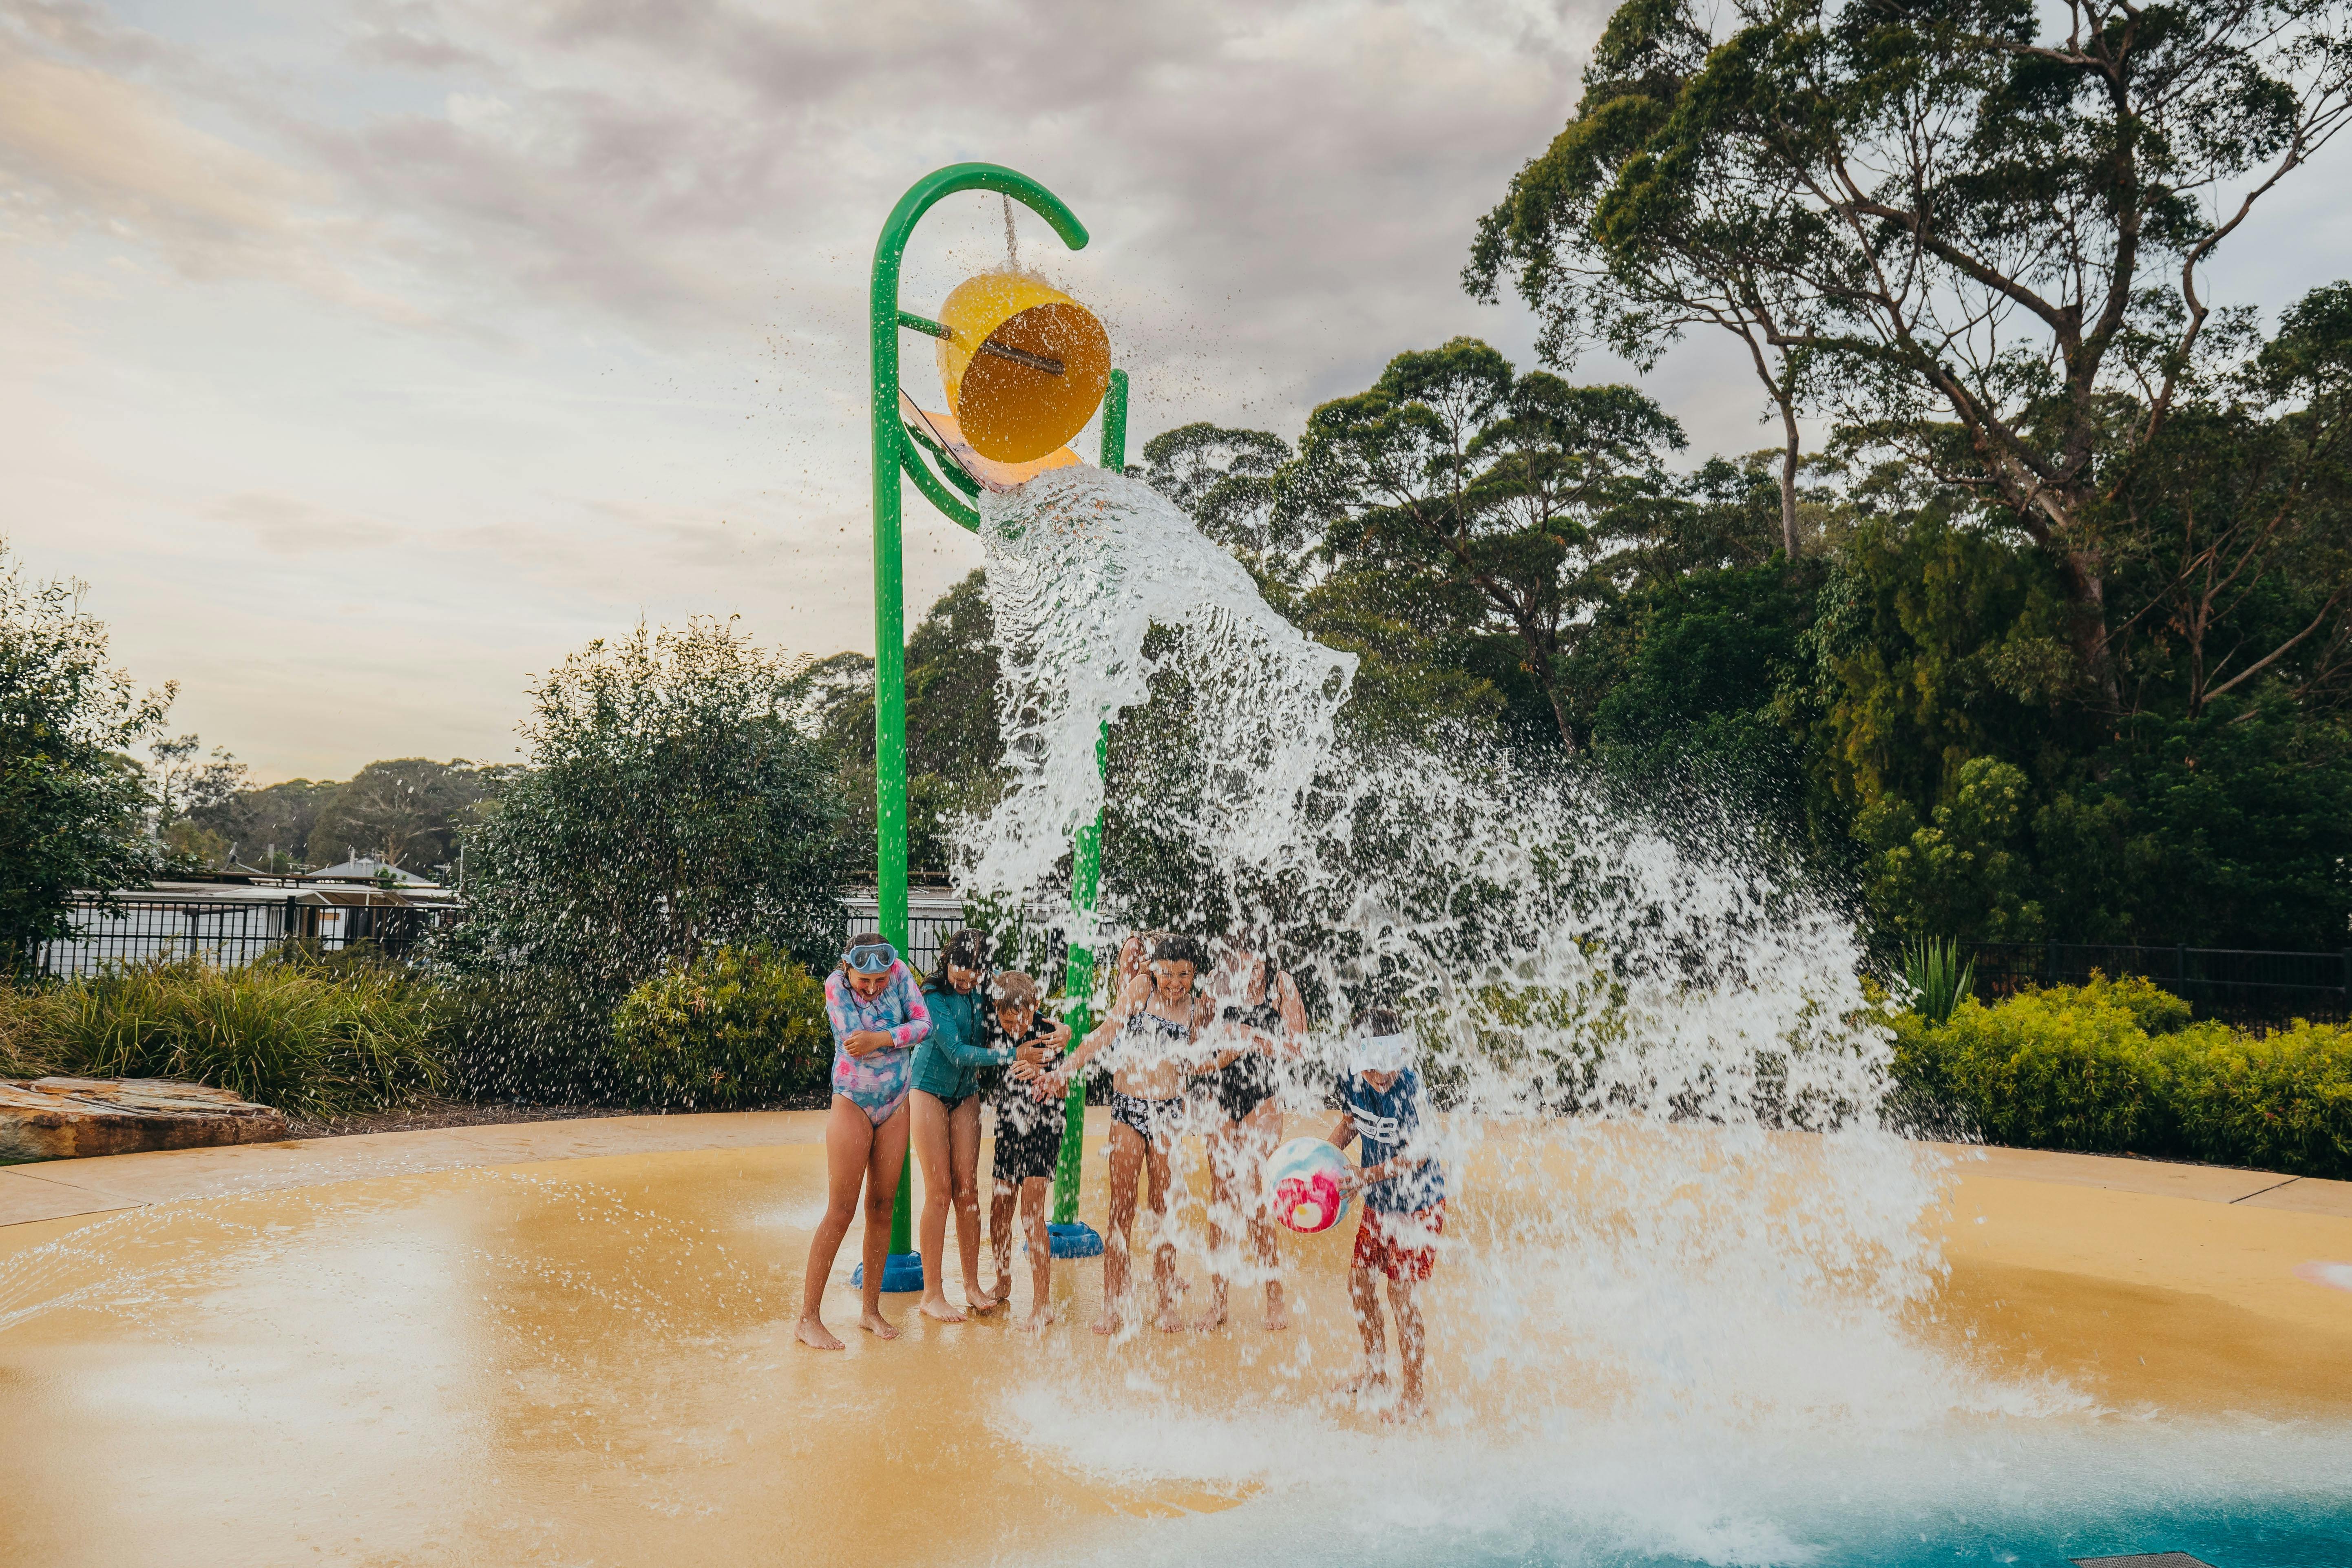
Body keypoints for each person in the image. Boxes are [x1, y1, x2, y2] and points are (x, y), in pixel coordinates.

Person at [1054, 931, 1211, 1335]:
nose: (1174, 981)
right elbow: (1106, 1032)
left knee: (1163, 1210)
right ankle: (1113, 1305)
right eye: (1167, 972)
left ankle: (1165, 1303)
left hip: (1168, 1113)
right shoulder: (1141, 989)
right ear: (1153, 969)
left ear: (1194, 973)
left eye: (1184, 974)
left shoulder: (1199, 1007)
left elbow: (1203, 1062)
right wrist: (1066, 1069)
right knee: (1120, 1208)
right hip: (1128, 1108)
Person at [797, 932, 930, 1351]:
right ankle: (808, 1318)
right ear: (847, 968)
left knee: (882, 1205)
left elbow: (925, 1024)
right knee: (840, 1209)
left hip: (895, 1101)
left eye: (879, 979)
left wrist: (881, 1039)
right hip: (853, 1100)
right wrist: (890, 1036)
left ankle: (870, 1310)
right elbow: (853, 1041)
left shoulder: (900, 973)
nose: (872, 987)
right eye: (864, 980)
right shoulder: (835, 985)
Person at [1326, 1008, 1447, 1419]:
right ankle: (1376, 1373)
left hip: (1418, 1204)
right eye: (1373, 1068)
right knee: (1359, 1283)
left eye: (1388, 1065)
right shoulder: (1352, 1076)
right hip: (1379, 1202)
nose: (1381, 1076)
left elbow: (1418, 1154)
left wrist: (1364, 1176)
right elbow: (1351, 1122)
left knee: (1400, 1294)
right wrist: (1322, 1158)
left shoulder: (1409, 1087)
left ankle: (1414, 1396)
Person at [909, 928, 1025, 1323]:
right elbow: (957, 1052)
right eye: (960, 967)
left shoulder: (982, 993)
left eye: (975, 970)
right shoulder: (933, 996)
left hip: (966, 1094)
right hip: (927, 1089)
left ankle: (972, 1285)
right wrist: (1012, 1055)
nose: (966, 976)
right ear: (947, 961)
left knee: (967, 1190)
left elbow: (1021, 1011)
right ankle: (931, 1293)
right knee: (939, 1191)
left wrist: (1055, 1028)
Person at [1190, 937, 1306, 1331]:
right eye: (1240, 966)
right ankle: (1218, 1301)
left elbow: (1297, 1048)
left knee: (1255, 1194)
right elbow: (1194, 1046)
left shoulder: (1282, 986)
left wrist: (1250, 1037)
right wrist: (1218, 1052)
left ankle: (1275, 1298)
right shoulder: (1216, 987)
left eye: (1254, 966)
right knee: (1222, 1196)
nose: (1249, 974)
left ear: (1264, 960)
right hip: (1222, 1096)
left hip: (1263, 1098)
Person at [979, 970, 1070, 1331]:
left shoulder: (1049, 1033)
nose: (1017, 1025)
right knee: (1000, 1209)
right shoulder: (992, 1032)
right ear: (997, 1011)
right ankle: (1003, 1280)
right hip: (1009, 1128)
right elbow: (984, 1074)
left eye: (1024, 1017)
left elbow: (1064, 1089)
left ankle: (1042, 1304)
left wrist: (1040, 1072)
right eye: (1009, 1019)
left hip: (1045, 1128)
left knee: (1032, 1213)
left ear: (1035, 1008)